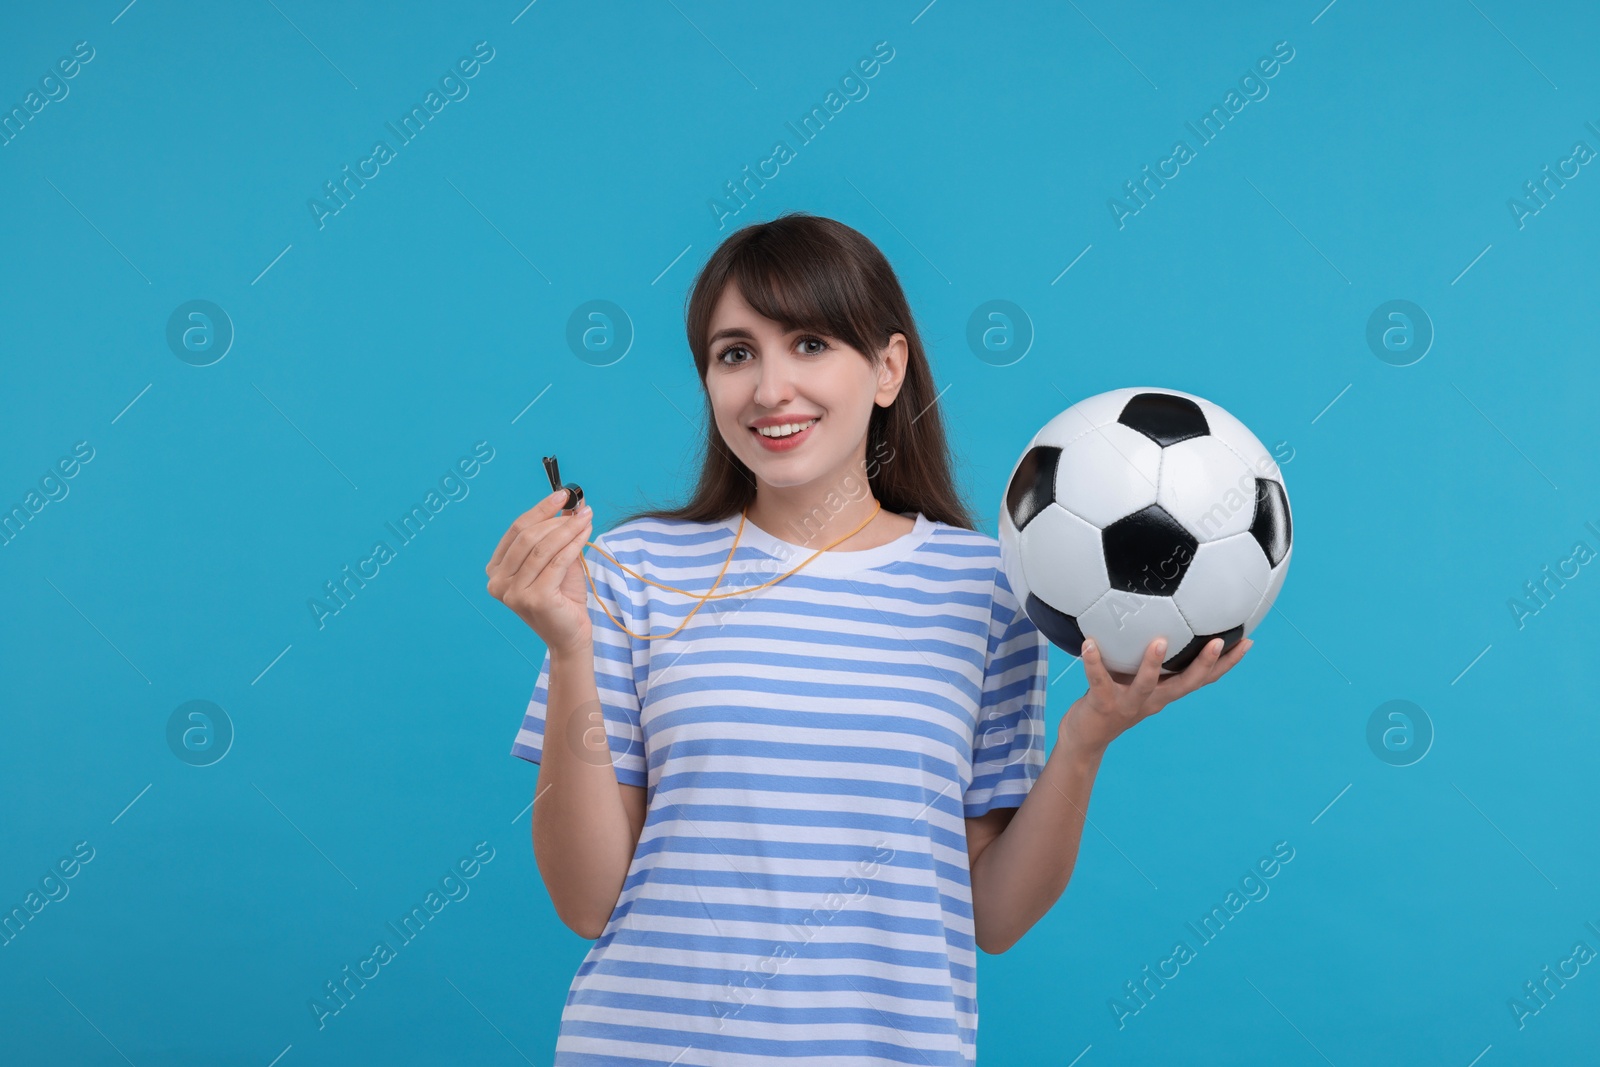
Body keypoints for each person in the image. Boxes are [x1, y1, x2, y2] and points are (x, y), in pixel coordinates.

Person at [484, 213, 1251, 1065]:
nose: (770, 388)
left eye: (809, 344)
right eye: (735, 353)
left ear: (888, 368)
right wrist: (568, 649)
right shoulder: (633, 572)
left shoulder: (988, 590)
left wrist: (1083, 743)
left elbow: (992, 916)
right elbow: (588, 901)